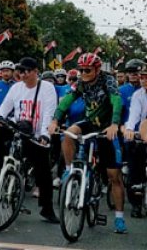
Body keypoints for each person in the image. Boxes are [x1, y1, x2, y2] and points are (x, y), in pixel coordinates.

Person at [48, 53, 127, 234]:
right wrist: (54, 120)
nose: (83, 73)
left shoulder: (108, 80)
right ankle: (69, 170)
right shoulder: (81, 83)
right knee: (68, 134)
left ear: (97, 69)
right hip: (90, 122)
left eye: (87, 70)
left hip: (107, 127)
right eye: (81, 69)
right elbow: (67, 100)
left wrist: (115, 123)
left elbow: (116, 101)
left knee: (114, 176)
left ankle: (119, 217)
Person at [0, 57, 59, 223]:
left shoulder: (47, 88)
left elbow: (49, 114)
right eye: (20, 71)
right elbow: (4, 109)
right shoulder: (16, 88)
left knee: (43, 171)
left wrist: (44, 134)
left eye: (26, 71)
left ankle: (47, 209)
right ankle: (0, 174)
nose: (22, 74)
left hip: (36, 134)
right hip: (19, 129)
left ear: (36, 71)